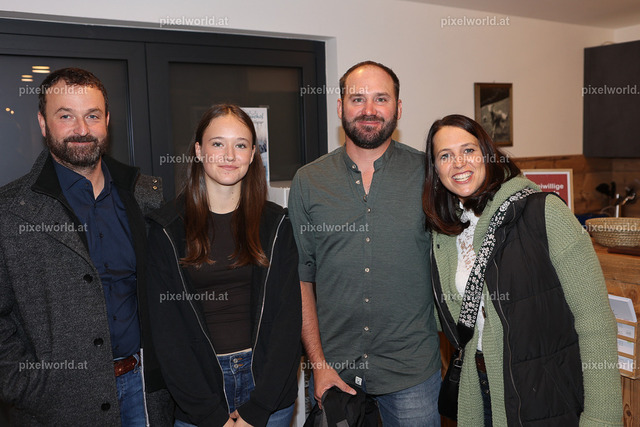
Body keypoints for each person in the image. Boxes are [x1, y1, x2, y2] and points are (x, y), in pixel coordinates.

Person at [423, 114, 623, 426]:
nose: (459, 163)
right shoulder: (446, 234)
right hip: (479, 390)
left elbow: (595, 321)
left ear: (488, 154)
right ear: (436, 170)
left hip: (543, 392)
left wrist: (603, 417)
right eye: (445, 156)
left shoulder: (544, 212)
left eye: (468, 150)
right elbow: (446, 313)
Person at [0, 67, 172, 425]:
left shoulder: (145, 197)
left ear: (107, 121)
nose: (81, 129)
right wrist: (29, 387)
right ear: (43, 123)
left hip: (145, 394)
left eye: (92, 116)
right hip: (58, 404)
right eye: (66, 116)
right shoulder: (10, 211)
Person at [288, 61, 441, 426]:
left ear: (398, 108)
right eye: (357, 99)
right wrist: (318, 365)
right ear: (340, 107)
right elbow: (301, 279)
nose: (369, 109)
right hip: (335, 373)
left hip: (412, 372)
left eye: (381, 99)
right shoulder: (308, 181)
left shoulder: (430, 175)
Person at [145, 104, 301, 427]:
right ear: (199, 151)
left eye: (240, 145)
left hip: (268, 391)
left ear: (253, 154)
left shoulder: (277, 225)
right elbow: (168, 335)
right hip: (199, 393)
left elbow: (287, 324)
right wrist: (210, 414)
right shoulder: (167, 229)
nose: (229, 155)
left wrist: (259, 408)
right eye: (218, 143)